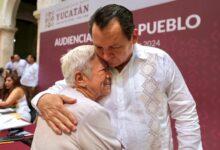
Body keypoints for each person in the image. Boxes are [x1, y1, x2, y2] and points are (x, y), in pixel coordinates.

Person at [32, 4, 202, 150]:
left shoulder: (159, 60)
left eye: (114, 47)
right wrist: (42, 99)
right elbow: (63, 86)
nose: (105, 56)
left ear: (134, 37)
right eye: (99, 47)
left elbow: (185, 112)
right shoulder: (93, 66)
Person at [31, 45, 121, 150]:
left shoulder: (55, 102)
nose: (110, 75)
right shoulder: (91, 111)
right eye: (104, 70)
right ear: (80, 79)